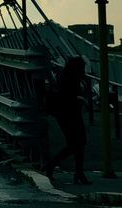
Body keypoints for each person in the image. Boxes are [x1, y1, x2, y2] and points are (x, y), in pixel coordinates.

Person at [44, 56, 91, 185]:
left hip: (71, 115)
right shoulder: (68, 79)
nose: (83, 69)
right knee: (76, 144)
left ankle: (77, 172)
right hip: (67, 115)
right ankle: (56, 166)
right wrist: (80, 99)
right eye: (81, 67)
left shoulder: (71, 78)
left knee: (78, 144)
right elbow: (67, 98)